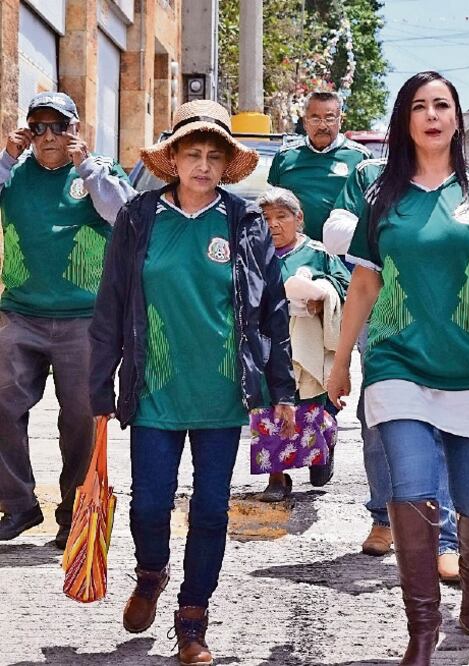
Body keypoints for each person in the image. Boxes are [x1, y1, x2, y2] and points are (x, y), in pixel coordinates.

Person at [327, 71, 469, 665]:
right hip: (397, 361)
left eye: (443, 105)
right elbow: (363, 285)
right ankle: (422, 627)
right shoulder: (381, 197)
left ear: (458, 119)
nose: (433, 115)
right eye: (421, 106)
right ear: (405, 120)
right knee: (411, 488)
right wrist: (341, 366)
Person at [89, 100, 297, 666]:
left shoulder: (245, 220)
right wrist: (98, 386)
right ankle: (152, 572)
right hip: (153, 388)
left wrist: (281, 392)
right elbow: (111, 305)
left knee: (210, 509)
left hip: (223, 392)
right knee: (149, 505)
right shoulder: (138, 218)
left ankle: (192, 617)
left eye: (214, 156)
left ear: (226, 164)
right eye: (192, 154)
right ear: (173, 160)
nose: (202, 165)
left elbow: (271, 311)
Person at [0, 91, 134, 548]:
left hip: (84, 318)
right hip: (20, 311)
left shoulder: (98, 169)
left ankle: (74, 511)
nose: (49, 136)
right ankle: (17, 505)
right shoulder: (14, 172)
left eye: (59, 126)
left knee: (80, 416)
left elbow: (125, 216)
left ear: (77, 130)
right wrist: (7, 155)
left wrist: (88, 170)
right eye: (39, 126)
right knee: (2, 404)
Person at [253, 187, 350, 501]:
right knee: (269, 406)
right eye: (266, 218)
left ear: (299, 218)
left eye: (282, 216)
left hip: (306, 343)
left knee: (311, 407)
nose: (274, 224)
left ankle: (323, 447)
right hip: (268, 344)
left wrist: (323, 298)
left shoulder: (317, 253)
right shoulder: (254, 252)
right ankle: (276, 478)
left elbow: (344, 286)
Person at [268, 91, 372, 243]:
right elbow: (272, 204)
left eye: (329, 118)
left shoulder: (360, 157)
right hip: (296, 251)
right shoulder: (285, 156)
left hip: (346, 254)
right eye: (315, 119)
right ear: (305, 122)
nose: (323, 125)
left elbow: (374, 208)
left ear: (340, 120)